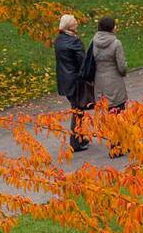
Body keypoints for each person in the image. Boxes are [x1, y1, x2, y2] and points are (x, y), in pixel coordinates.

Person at [91, 16, 129, 158]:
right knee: (119, 113)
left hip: (99, 81)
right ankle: (121, 145)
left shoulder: (94, 41)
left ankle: (115, 144)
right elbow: (122, 66)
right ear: (111, 28)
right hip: (114, 81)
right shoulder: (116, 43)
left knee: (108, 114)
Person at [54, 14, 90, 152]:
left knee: (77, 109)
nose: (77, 23)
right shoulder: (74, 42)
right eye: (75, 21)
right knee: (78, 110)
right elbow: (83, 62)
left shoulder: (59, 40)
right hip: (75, 80)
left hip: (64, 79)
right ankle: (75, 142)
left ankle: (80, 138)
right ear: (70, 25)